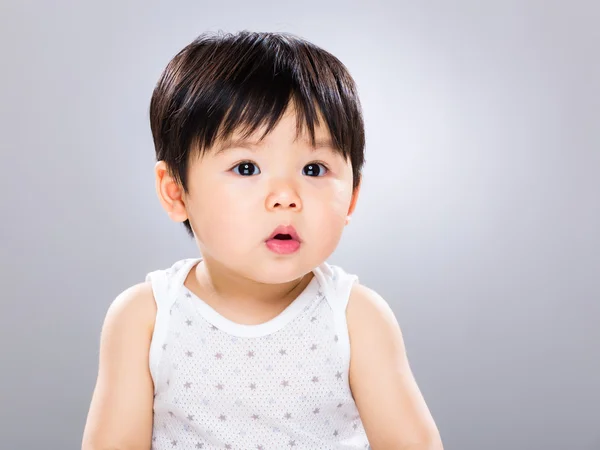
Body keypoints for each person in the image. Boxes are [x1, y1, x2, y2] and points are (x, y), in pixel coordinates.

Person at [82, 30, 443, 450]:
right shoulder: (145, 318)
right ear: (176, 190)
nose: (286, 197)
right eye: (247, 167)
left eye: (313, 169)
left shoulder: (354, 318)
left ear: (352, 197)